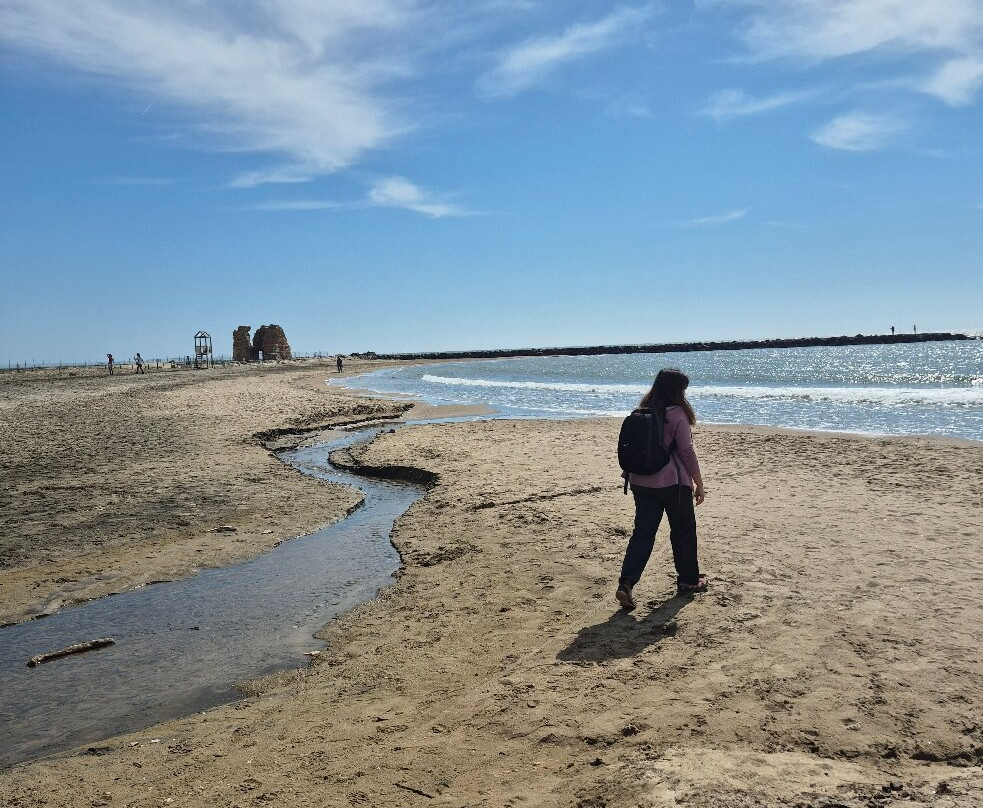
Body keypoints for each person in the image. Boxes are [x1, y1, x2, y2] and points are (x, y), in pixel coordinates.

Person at [616, 368, 707, 609]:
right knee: (683, 531)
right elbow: (687, 452)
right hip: (672, 484)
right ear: (677, 391)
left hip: (639, 481)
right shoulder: (677, 414)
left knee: (643, 534)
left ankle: (626, 583)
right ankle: (689, 580)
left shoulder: (642, 411)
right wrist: (699, 482)